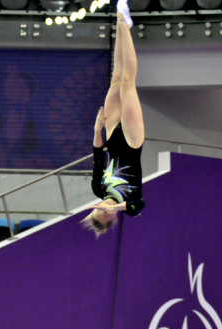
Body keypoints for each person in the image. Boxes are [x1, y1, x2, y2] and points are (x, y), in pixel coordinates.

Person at [81, 0, 145, 236]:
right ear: (114, 218)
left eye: (98, 209)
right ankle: (122, 21)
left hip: (110, 132)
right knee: (128, 83)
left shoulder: (98, 187)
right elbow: (139, 204)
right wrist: (116, 206)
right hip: (131, 140)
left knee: (117, 79)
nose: (104, 208)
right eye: (106, 213)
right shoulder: (131, 204)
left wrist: (97, 130)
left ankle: (122, 23)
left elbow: (98, 156)